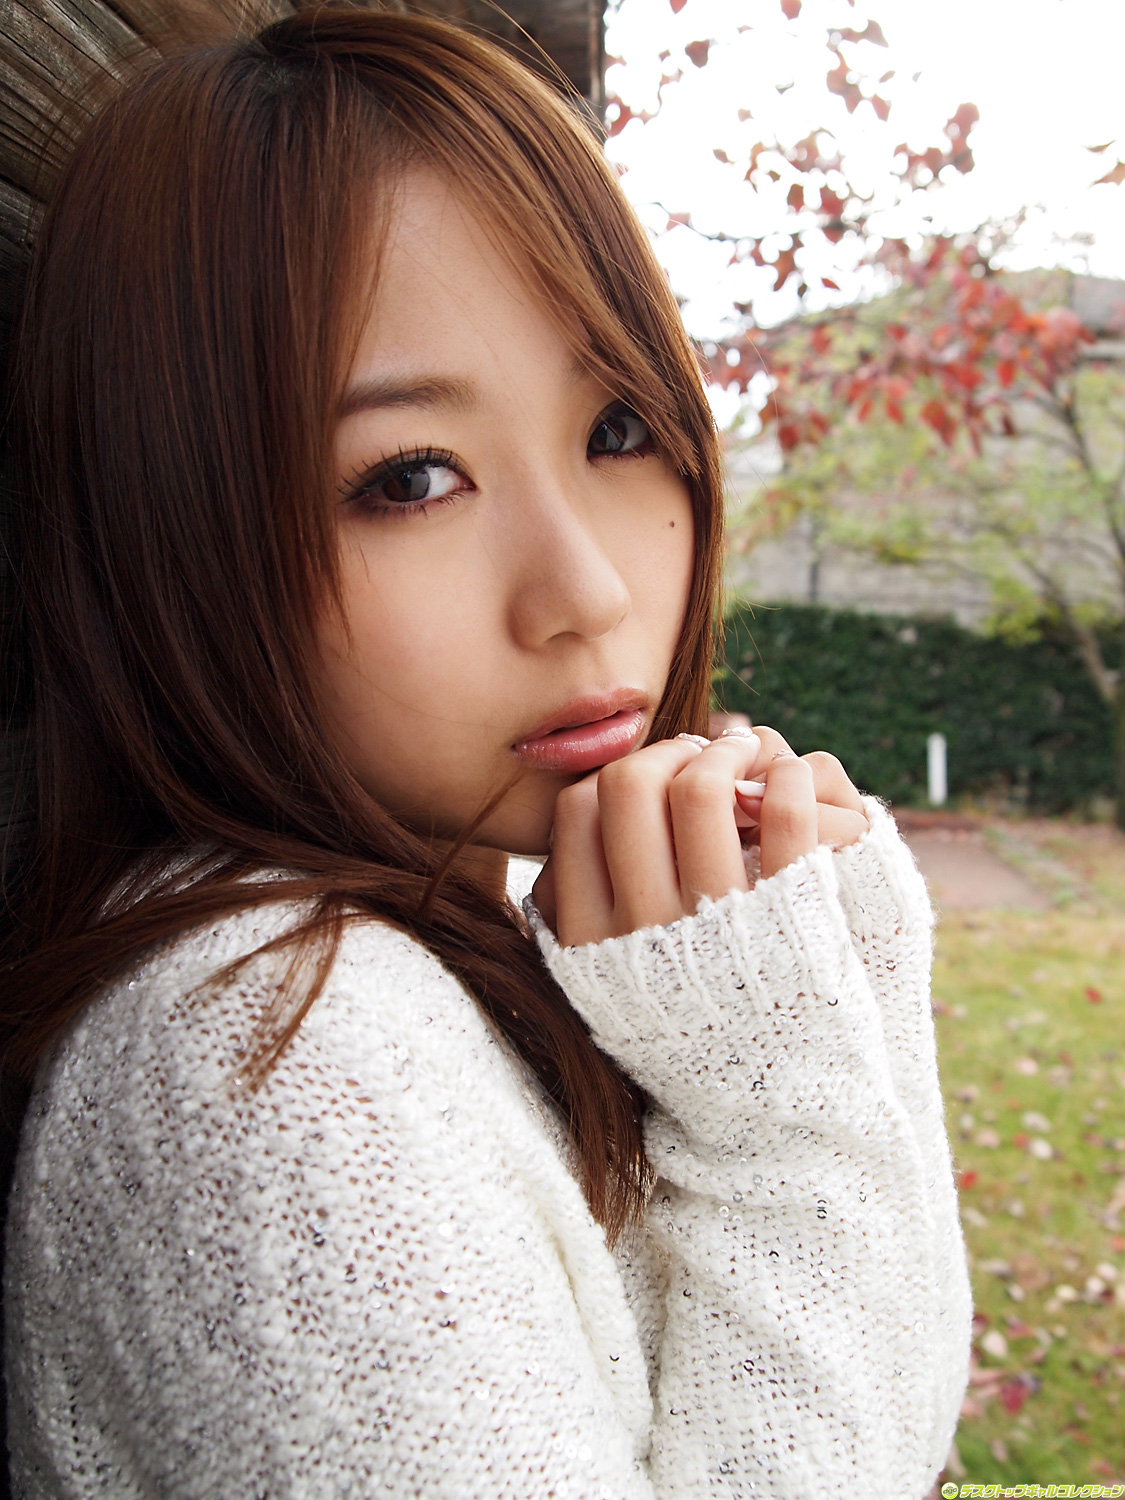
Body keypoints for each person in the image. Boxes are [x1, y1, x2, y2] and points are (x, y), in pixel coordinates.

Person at [0, 7, 971, 1496]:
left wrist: (836, 995)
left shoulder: (439, 935)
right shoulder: (275, 1057)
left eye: (619, 427)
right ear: (169, 534)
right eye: (410, 477)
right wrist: (782, 1109)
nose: (585, 590)